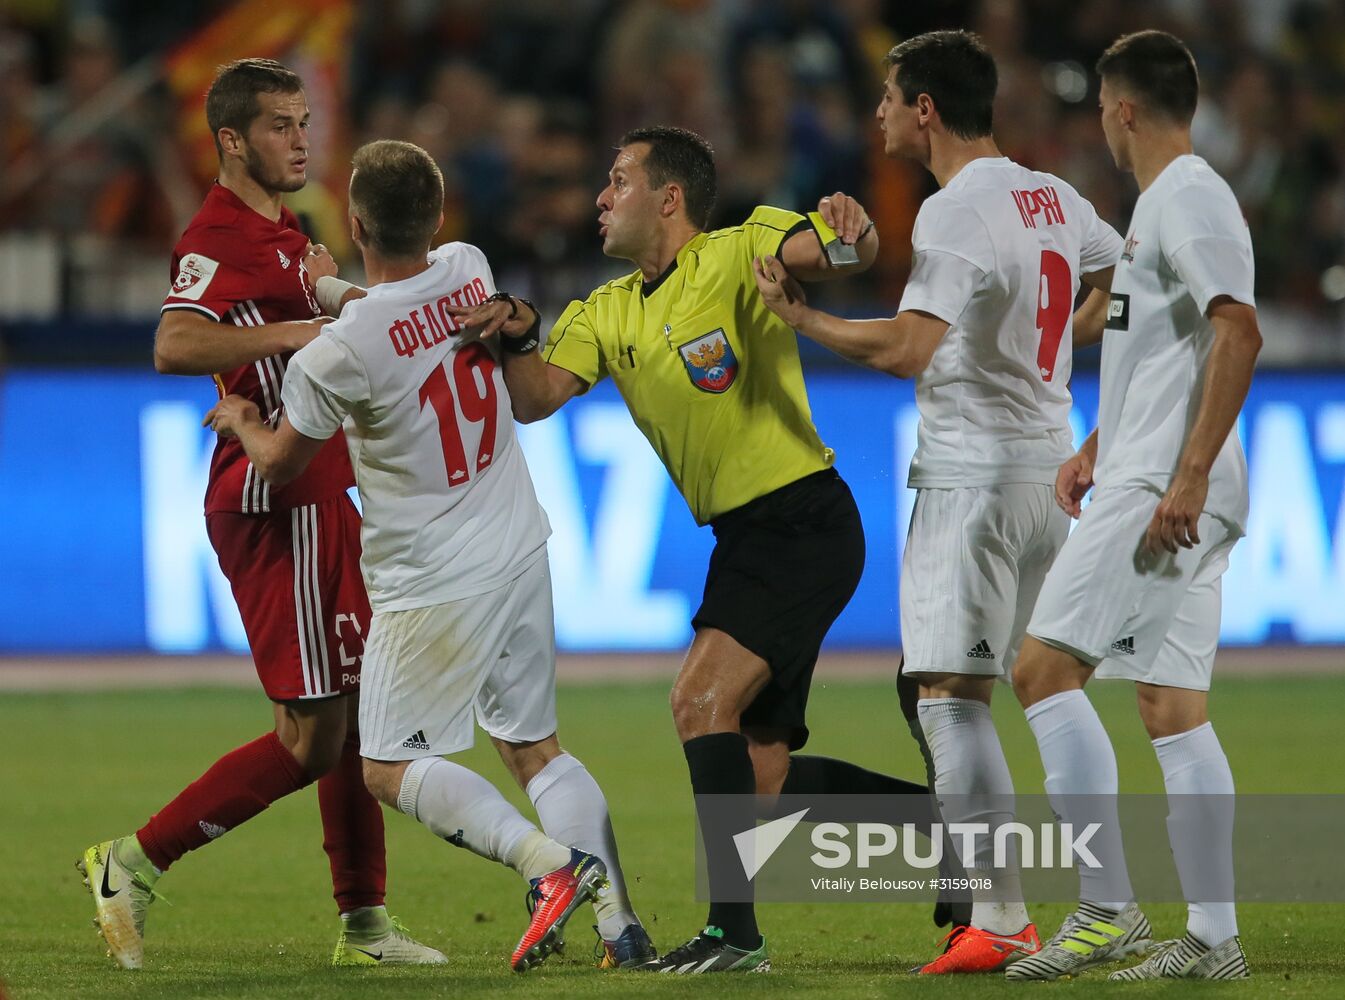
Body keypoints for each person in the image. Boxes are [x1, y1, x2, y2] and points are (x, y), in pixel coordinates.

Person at [449, 124, 929, 975]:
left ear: (668, 198)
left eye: (618, 179)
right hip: (748, 537)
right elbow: (534, 400)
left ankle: (731, 935)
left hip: (802, 520)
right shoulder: (605, 309)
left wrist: (854, 228)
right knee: (759, 776)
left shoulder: (739, 249)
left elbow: (837, 251)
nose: (600, 196)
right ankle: (946, 829)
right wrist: (515, 334)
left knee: (697, 701)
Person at [206, 138, 653, 973]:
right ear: (439, 217)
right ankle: (619, 926)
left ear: (357, 218)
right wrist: (329, 281)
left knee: (387, 765)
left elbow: (280, 462)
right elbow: (393, 304)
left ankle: (549, 867)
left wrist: (239, 423)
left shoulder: (336, 355)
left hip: (432, 578)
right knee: (535, 749)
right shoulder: (469, 270)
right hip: (520, 542)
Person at [753, 29, 1125, 975]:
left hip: (972, 481)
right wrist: (1057, 349)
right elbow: (1119, 280)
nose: (875, 112)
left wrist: (804, 319)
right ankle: (1109, 903)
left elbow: (911, 348)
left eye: (886, 96)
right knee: (1052, 685)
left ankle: (999, 919)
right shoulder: (1054, 194)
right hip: (1049, 470)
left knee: (948, 700)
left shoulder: (954, 212)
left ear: (924, 108)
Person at [77, 59, 442, 970]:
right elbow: (174, 340)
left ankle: (364, 926)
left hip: (323, 493)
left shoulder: (292, 232)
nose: (301, 139)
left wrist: (327, 295)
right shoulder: (217, 232)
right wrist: (292, 331)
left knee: (358, 719)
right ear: (233, 140)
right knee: (316, 736)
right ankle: (131, 862)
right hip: (276, 500)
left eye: (304, 121)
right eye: (280, 125)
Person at [1004, 30, 1260, 982]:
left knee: (1038, 672)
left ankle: (1105, 909)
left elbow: (1238, 329)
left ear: (1119, 110)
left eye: (1100, 114)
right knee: (1171, 707)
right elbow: (1175, 354)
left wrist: (1180, 474)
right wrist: (1095, 445)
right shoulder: (1162, 206)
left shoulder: (1185, 197)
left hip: (1163, 486)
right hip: (1152, 468)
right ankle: (1214, 938)